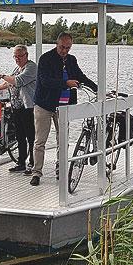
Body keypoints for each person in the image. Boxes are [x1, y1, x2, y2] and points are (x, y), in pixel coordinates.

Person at [30, 32, 97, 186]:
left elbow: (81, 77)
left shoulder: (72, 60)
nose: (65, 51)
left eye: (68, 48)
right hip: (44, 105)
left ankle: (60, 170)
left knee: (63, 141)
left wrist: (98, 90)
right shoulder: (46, 59)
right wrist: (66, 83)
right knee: (40, 141)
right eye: (62, 47)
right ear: (57, 43)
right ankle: (36, 173)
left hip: (64, 108)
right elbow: (45, 81)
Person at [0, 44, 37, 172]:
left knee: (31, 136)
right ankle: (21, 163)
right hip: (17, 107)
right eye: (15, 56)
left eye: (20, 56)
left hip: (28, 107)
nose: (17, 58)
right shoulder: (17, 68)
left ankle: (32, 163)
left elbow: (17, 81)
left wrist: (2, 75)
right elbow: (9, 82)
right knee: (19, 136)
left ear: (26, 55)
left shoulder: (31, 67)